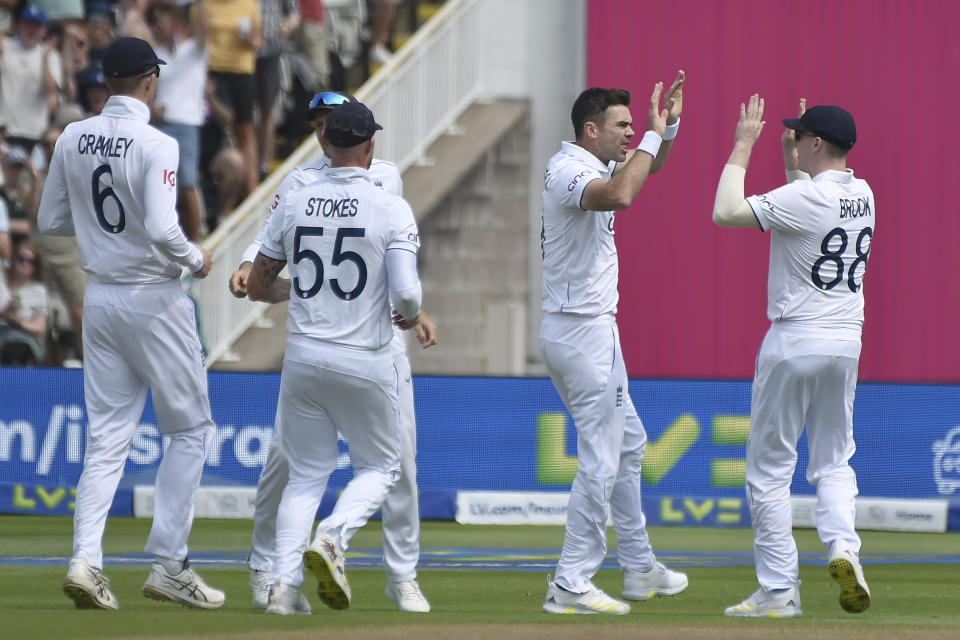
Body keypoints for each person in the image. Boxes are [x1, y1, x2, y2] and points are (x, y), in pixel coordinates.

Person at [232, 90, 436, 614]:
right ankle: (331, 538)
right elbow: (406, 292)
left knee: (305, 474)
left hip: (305, 354)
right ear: (368, 144)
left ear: (330, 138)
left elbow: (258, 282)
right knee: (383, 468)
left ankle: (284, 586)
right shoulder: (388, 202)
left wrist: (300, 290)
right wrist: (412, 314)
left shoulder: (302, 198)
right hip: (365, 353)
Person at [37, 36, 224, 610]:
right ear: (149, 81)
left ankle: (86, 561)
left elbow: (49, 219)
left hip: (101, 299)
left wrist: (102, 236)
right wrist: (197, 258)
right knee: (190, 430)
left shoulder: (72, 135)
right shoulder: (157, 142)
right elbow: (167, 230)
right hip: (153, 296)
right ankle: (170, 563)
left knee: (107, 441)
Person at [714, 96, 873, 618]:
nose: (796, 140)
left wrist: (743, 143)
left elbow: (727, 212)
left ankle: (780, 591)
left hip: (796, 338)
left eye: (801, 136)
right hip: (845, 341)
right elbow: (804, 212)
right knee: (833, 461)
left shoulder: (807, 199)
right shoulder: (864, 193)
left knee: (768, 472)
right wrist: (790, 160)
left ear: (818, 143)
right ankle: (845, 550)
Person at [538, 74, 688, 616]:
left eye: (632, 125)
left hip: (596, 328)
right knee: (601, 459)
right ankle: (570, 583)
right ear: (590, 128)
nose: (631, 134)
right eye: (622, 126)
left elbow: (650, 168)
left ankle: (640, 568)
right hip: (577, 331)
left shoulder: (594, 163)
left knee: (629, 447)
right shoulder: (568, 170)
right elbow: (623, 194)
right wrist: (651, 135)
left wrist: (663, 132)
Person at [148, 0, 209, 241]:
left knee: (186, 185)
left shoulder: (194, 49)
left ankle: (195, 241)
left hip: (186, 124)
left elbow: (204, 29)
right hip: (161, 125)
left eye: (163, 18)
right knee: (163, 188)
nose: (160, 25)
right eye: (156, 20)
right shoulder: (155, 54)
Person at [0, 5, 62, 152]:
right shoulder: (5, 48)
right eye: (27, 24)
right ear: (19, 26)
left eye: (36, 26)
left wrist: (44, 58)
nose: (31, 30)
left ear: (44, 30)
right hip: (5, 131)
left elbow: (50, 90)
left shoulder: (51, 55)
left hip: (36, 133)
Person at [0, 241, 49, 365]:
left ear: (37, 266)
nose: (25, 264)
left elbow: (40, 327)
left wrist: (17, 321)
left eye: (32, 261)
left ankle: (14, 383)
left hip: (22, 336)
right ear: (13, 259)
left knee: (17, 349)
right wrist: (4, 312)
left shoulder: (39, 290)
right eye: (21, 259)